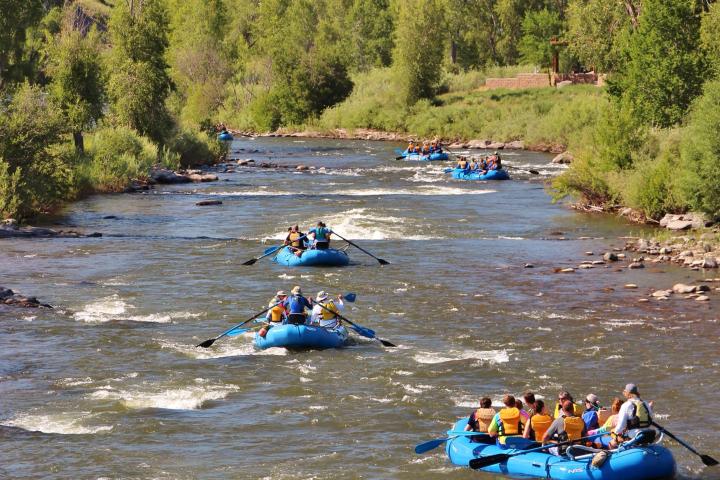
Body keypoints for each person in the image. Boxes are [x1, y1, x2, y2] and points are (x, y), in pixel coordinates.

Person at [609, 384, 653, 448]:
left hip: (634, 435)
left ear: (628, 393)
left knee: (612, 442)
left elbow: (621, 426)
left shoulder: (626, 405)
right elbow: (651, 419)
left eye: (625, 392)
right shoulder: (645, 403)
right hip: (648, 433)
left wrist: (614, 433)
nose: (624, 393)